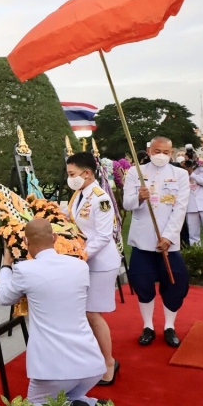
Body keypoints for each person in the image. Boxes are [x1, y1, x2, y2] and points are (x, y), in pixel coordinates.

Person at [0, 218, 106, 406]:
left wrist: (6, 265)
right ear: (55, 238)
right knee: (72, 395)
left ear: (26, 242)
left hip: (53, 368)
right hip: (91, 363)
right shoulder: (80, 266)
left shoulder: (25, 270)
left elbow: (5, 297)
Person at [123, 136, 190, 348]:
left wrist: (168, 237)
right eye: (157, 151)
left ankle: (169, 326)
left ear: (172, 153)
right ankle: (148, 326)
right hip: (142, 240)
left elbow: (180, 208)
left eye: (166, 152)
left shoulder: (180, 174)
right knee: (142, 283)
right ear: (149, 151)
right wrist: (138, 198)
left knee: (175, 283)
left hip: (168, 243)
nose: (161, 155)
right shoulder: (135, 172)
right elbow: (126, 204)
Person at [65, 152, 121, 386]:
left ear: (87, 173)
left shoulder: (100, 198)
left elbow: (104, 236)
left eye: (72, 174)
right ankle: (95, 357)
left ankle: (109, 363)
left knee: (93, 314)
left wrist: (81, 256)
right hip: (85, 262)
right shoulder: (80, 194)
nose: (70, 178)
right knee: (86, 314)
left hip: (100, 264)